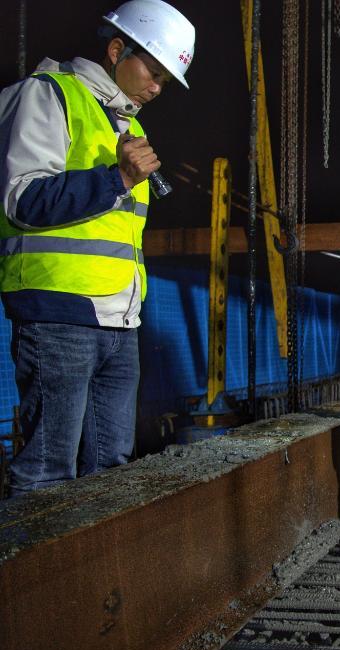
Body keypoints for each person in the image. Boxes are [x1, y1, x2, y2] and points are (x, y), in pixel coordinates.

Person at [0, 0, 195, 496]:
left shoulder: (130, 125)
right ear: (116, 50)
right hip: (58, 313)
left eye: (165, 81)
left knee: (111, 473)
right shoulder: (49, 95)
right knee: (47, 474)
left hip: (119, 322)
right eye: (153, 72)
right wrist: (118, 178)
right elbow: (22, 200)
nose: (157, 88)